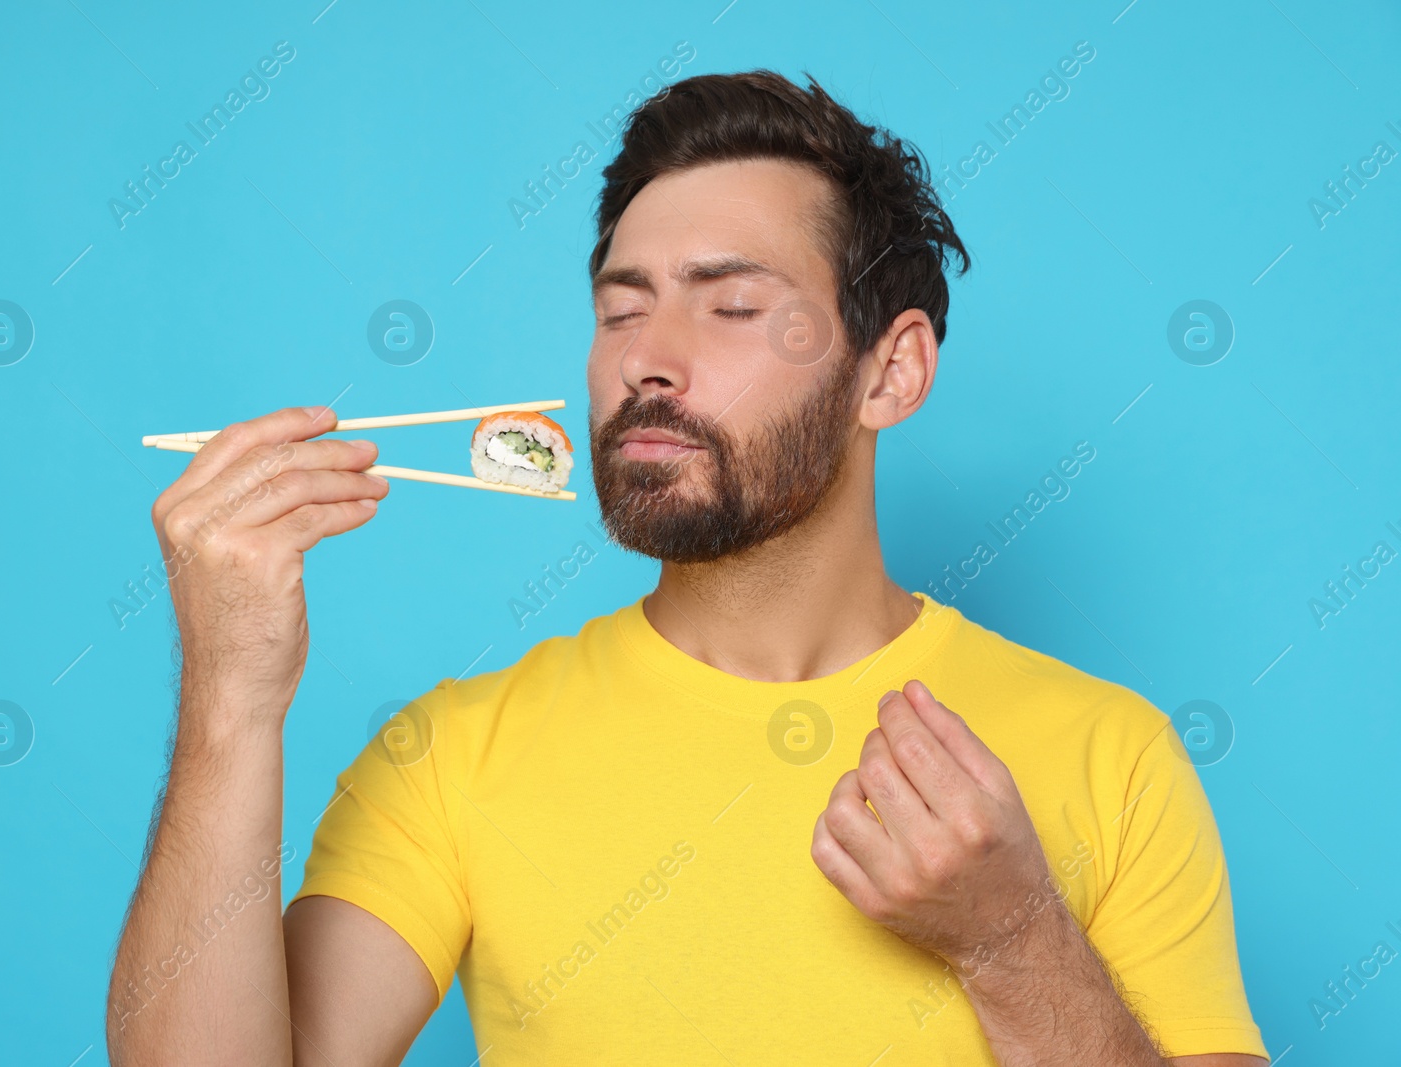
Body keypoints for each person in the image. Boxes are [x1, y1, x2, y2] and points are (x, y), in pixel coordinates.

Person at [106, 70, 1269, 1066]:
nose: (648, 361)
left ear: (890, 372)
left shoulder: (1112, 753)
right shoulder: (453, 753)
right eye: (623, 309)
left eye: (731, 305)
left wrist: (1012, 941)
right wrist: (229, 696)